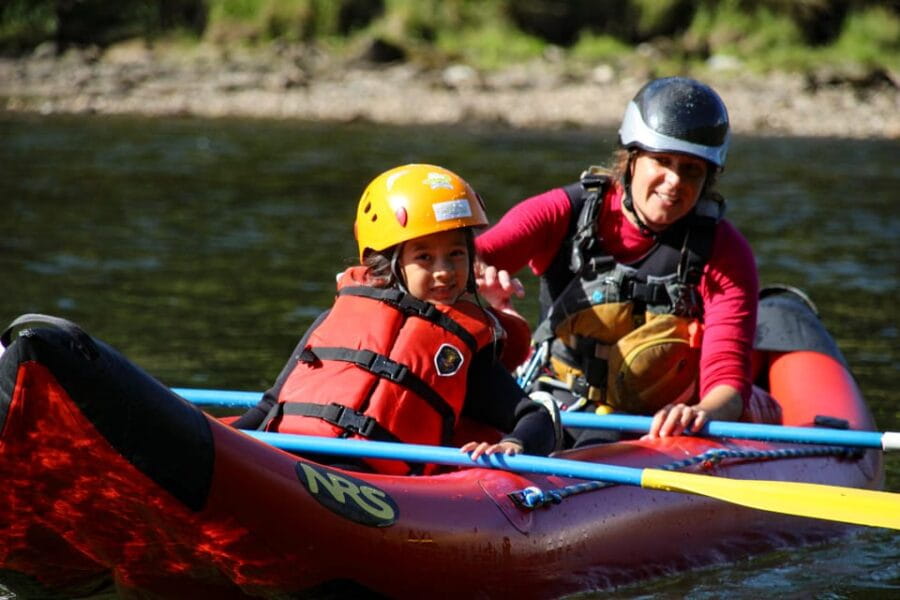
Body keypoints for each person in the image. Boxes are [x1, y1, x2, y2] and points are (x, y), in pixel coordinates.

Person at [475, 77, 759, 445]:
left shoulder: (725, 252)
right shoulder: (565, 211)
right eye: (661, 160)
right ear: (631, 160)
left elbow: (728, 380)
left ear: (707, 179)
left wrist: (703, 413)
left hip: (655, 426)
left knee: (602, 434)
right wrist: (480, 286)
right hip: (553, 402)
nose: (674, 180)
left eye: (691, 169)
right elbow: (468, 259)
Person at [233, 164, 558, 474]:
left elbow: (535, 417)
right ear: (390, 262)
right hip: (291, 459)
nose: (444, 271)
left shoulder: (458, 350)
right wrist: (216, 440)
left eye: (456, 254)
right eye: (424, 257)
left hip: (376, 484)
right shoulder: (332, 319)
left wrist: (514, 445)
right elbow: (268, 408)